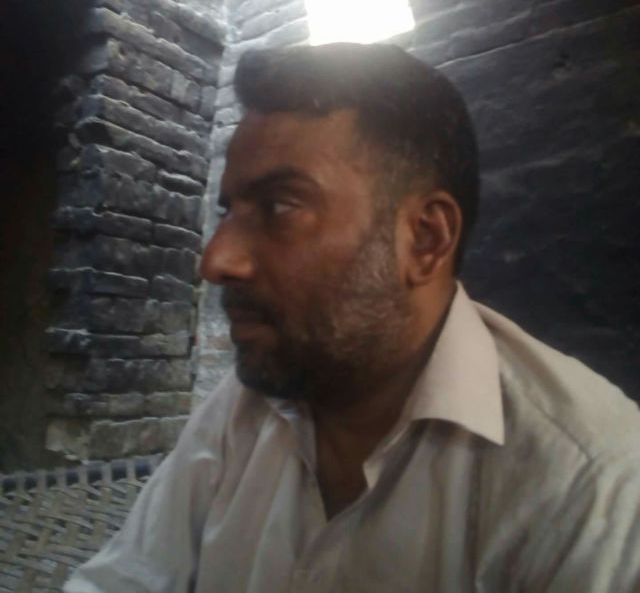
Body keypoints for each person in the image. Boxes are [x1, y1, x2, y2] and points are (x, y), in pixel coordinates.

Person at [65, 43, 640, 592]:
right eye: (229, 212)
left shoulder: (590, 490)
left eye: (280, 207)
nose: (215, 261)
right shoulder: (243, 410)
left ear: (425, 239)